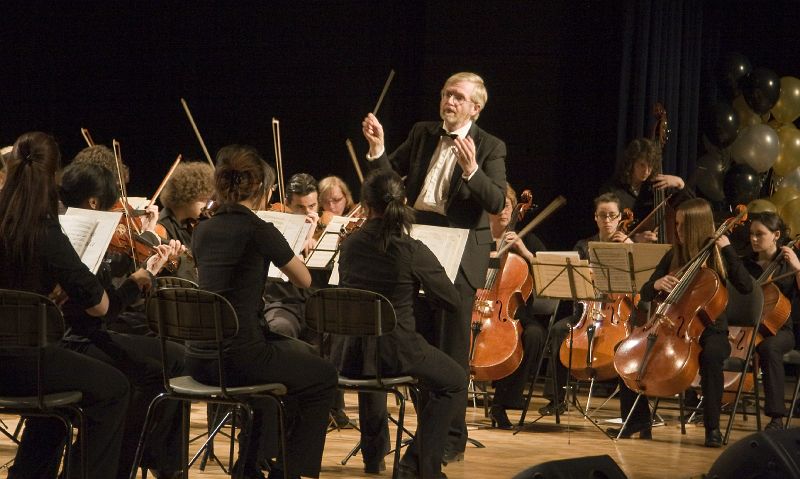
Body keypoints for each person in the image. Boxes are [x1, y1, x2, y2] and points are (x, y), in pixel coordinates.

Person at [0, 132, 164, 478]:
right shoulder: (46, 233)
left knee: (62, 386)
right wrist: (136, 282)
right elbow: (101, 308)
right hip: (26, 364)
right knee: (115, 389)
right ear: (53, 176)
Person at [362, 71, 506, 462]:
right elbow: (388, 182)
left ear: (476, 107)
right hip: (419, 246)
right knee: (419, 345)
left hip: (460, 253)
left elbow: (496, 201)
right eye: (446, 94)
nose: (449, 102)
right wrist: (378, 149)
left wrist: (472, 171)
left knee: (451, 352)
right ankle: (427, 434)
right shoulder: (423, 133)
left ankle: (450, 441)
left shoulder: (490, 146)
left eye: (458, 97)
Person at [187, 144, 337, 479]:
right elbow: (303, 279)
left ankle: (249, 465)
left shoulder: (203, 231)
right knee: (324, 375)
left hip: (199, 357)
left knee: (301, 356)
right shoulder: (259, 230)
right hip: (240, 358)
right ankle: (287, 471)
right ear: (260, 189)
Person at [58, 161, 188, 479]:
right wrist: (136, 282)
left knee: (177, 358)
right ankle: (127, 461)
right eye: (113, 202)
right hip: (77, 340)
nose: (119, 211)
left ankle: (157, 462)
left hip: (86, 334)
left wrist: (144, 272)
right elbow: (102, 310)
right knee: (157, 371)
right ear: (93, 202)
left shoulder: (67, 231)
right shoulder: (77, 238)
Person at [333, 169, 466, 479]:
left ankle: (374, 457)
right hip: (396, 352)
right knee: (455, 380)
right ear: (404, 203)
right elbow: (452, 301)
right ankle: (416, 464)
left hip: (350, 354)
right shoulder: (411, 249)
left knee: (374, 348)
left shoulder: (349, 245)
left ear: (366, 206)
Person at [608, 198, 752, 447]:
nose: (678, 230)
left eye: (683, 225)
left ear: (697, 226)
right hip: (672, 326)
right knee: (626, 349)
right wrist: (657, 283)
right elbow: (645, 292)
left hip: (712, 330)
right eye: (676, 224)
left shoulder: (719, 255)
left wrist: (728, 249)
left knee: (711, 357)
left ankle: (712, 429)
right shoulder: (673, 255)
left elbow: (746, 286)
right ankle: (637, 421)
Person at [531, 193, 633, 418]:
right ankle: (556, 399)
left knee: (628, 343)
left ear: (620, 218)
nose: (607, 220)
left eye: (612, 215)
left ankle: (632, 412)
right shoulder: (583, 246)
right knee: (559, 330)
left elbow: (638, 288)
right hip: (584, 315)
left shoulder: (629, 247)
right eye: (602, 215)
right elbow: (573, 283)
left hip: (616, 316)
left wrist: (631, 249)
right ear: (595, 217)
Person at [482, 185, 548, 429]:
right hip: (479, 307)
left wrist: (524, 252)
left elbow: (547, 275)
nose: (503, 211)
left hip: (514, 313)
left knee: (534, 335)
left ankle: (501, 404)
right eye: (497, 206)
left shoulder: (527, 239)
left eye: (507, 205)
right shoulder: (478, 239)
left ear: (514, 210)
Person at [743, 212, 797, 430]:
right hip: (748, 326)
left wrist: (798, 268)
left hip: (782, 330)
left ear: (776, 235)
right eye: (751, 234)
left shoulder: (788, 265)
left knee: (769, 347)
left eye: (760, 234)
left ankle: (776, 418)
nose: (754, 239)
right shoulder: (745, 264)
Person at [602, 138, 686, 243]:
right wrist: (634, 238)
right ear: (631, 163)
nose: (646, 171)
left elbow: (693, 207)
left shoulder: (657, 186)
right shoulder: (612, 190)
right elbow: (605, 228)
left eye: (650, 166)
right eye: (642, 165)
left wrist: (680, 183)